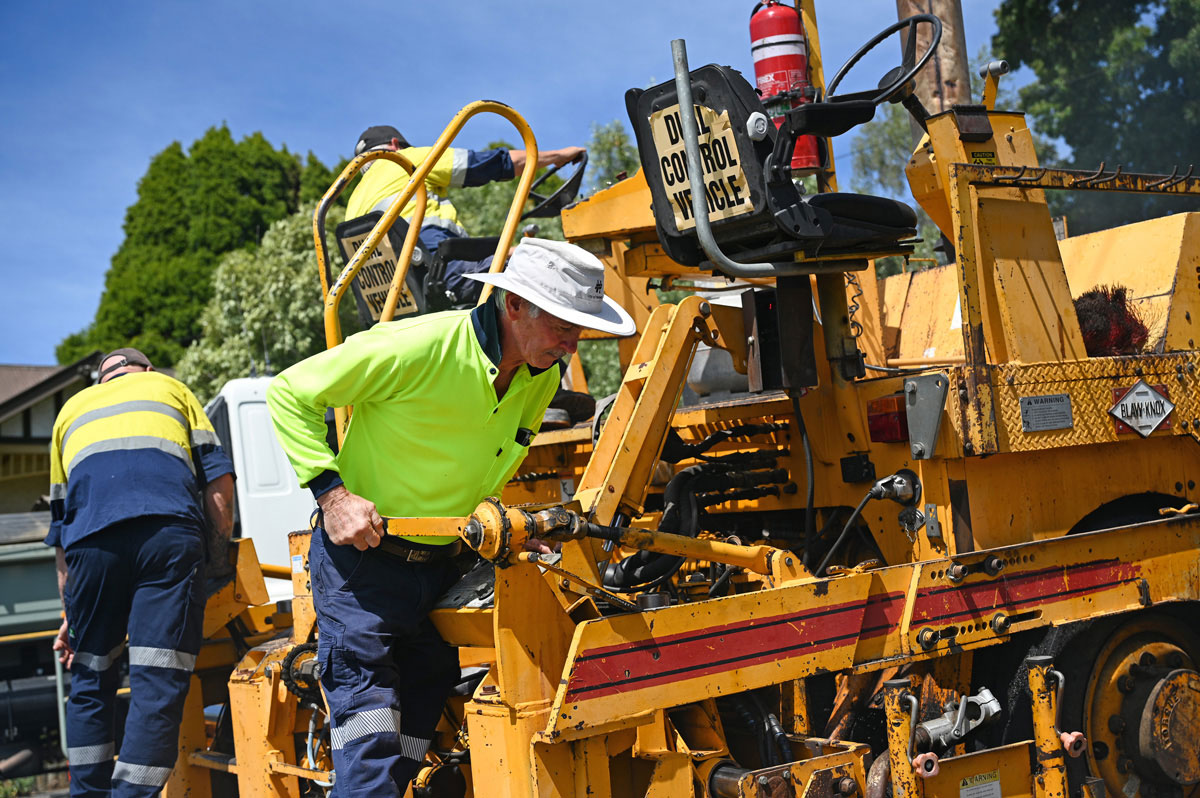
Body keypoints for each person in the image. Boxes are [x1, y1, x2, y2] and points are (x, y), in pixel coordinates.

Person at [266, 238, 636, 796]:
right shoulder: (420, 345)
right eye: (563, 325)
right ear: (514, 307)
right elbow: (289, 391)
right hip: (364, 567)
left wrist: (504, 526)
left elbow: (491, 462)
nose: (571, 344)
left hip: (441, 564)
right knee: (369, 737)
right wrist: (333, 495)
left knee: (424, 700)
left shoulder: (541, 379)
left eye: (578, 330)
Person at [47, 348, 235, 797]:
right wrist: (215, 560)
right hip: (168, 536)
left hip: (90, 548)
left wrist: (71, 616)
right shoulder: (171, 388)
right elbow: (219, 489)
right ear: (147, 369)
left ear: (100, 380)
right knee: (157, 677)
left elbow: (60, 529)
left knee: (91, 678)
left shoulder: (68, 413)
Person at [347, 124, 585, 305]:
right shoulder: (404, 160)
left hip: (394, 300)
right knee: (550, 270)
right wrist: (558, 156)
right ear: (396, 144)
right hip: (439, 280)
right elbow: (486, 164)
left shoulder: (353, 202)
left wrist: (509, 250)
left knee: (516, 258)